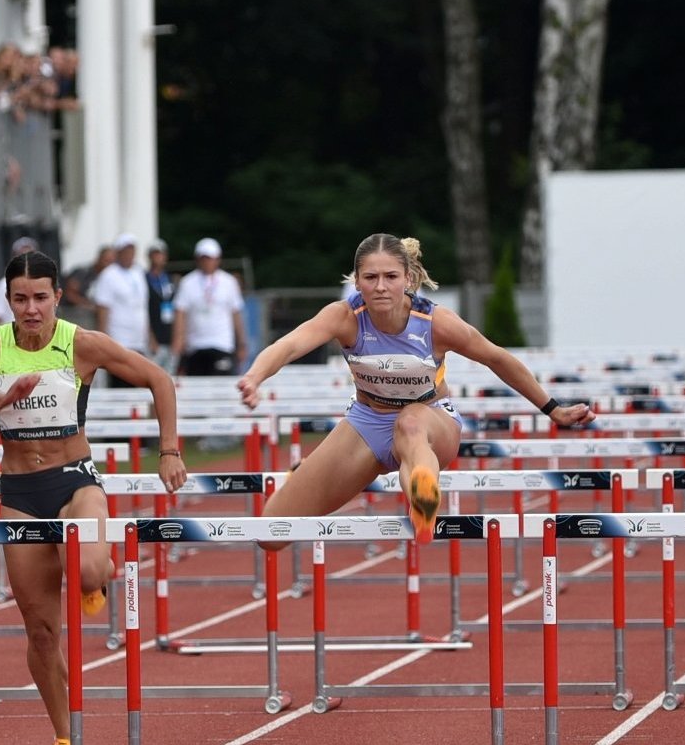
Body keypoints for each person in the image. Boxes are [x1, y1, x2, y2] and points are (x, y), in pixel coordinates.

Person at [0, 250, 186, 745]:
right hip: (19, 492)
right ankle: (64, 738)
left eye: (40, 297)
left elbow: (159, 380)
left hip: (74, 481)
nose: (31, 309)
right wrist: (1, 399)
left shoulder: (80, 343)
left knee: (92, 568)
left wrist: (169, 450)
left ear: (57, 295)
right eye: (20, 299)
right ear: (8, 301)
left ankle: (92, 576)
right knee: (41, 633)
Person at [237, 233, 594, 546]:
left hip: (431, 420)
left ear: (407, 279)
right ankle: (397, 487)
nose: (380, 286)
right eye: (371, 277)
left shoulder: (435, 323)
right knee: (272, 532)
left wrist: (552, 408)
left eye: (390, 277)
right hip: (367, 421)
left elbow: (497, 359)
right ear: (356, 281)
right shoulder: (344, 316)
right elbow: (290, 345)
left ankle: (422, 501)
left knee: (409, 424)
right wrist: (254, 377)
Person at [172, 237, 248, 377]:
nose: (207, 262)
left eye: (211, 258)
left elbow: (236, 314)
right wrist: (178, 339)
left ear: (218, 259)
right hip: (195, 346)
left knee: (223, 386)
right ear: (198, 259)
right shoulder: (188, 282)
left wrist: (241, 344)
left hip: (223, 344)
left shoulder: (229, 282)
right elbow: (180, 312)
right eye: (204, 258)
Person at [93, 234, 152, 382]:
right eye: (126, 251)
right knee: (121, 385)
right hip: (119, 341)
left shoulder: (138, 272)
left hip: (139, 342)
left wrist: (149, 336)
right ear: (118, 252)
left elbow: (142, 308)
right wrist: (103, 341)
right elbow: (102, 309)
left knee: (139, 384)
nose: (129, 254)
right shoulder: (109, 275)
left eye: (132, 250)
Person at [0, 237, 39, 325]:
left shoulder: (43, 283)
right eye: (22, 256)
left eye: (30, 256)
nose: (27, 260)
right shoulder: (4, 285)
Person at [144, 238, 175, 364]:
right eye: (155, 253)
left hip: (169, 337)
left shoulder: (170, 279)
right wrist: (150, 337)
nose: (158, 257)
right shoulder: (143, 279)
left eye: (161, 253)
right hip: (153, 340)